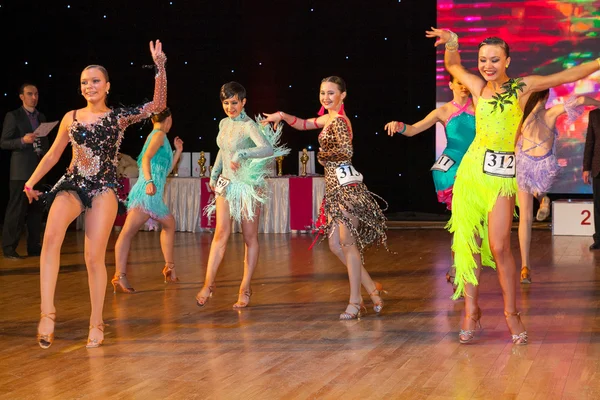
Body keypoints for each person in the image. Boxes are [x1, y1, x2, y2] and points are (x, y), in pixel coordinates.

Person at [426, 27, 600, 344]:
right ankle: (471, 312)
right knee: (469, 247)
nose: (487, 65)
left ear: (507, 60)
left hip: (502, 176)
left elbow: (568, 73)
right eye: (482, 60)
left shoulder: (522, 87)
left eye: (494, 59)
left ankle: (511, 313)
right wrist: (452, 40)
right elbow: (452, 65)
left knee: (500, 246)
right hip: (471, 174)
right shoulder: (477, 87)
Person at [24, 40, 167, 349]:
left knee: (93, 257)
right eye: (84, 82)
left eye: (95, 81)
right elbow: (51, 156)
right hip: (72, 183)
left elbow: (156, 107)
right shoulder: (71, 117)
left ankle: (97, 322)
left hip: (103, 188)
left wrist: (160, 68)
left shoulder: (117, 118)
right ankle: (47, 315)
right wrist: (30, 183)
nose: (89, 86)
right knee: (50, 240)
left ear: (107, 86)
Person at [261, 76, 389, 320]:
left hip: (345, 189)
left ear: (343, 95)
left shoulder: (339, 121)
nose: (326, 97)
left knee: (348, 244)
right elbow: (303, 124)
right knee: (335, 245)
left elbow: (346, 152)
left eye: (331, 93)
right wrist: (281, 115)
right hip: (333, 189)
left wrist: (323, 156)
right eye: (322, 93)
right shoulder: (328, 118)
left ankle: (355, 301)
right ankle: (372, 290)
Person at [195, 82, 288, 309]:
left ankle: (245, 287)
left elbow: (267, 149)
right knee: (220, 234)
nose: (230, 107)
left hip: (246, 185)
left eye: (234, 102)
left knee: (249, 237)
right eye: (226, 103)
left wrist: (242, 153)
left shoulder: (248, 125)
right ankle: (208, 284)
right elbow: (222, 150)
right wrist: (214, 173)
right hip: (226, 184)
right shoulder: (224, 123)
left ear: (243, 102)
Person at [384, 76, 476, 291]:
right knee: (462, 222)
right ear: (451, 85)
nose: (463, 86)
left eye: (466, 82)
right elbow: (414, 129)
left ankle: (458, 268)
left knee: (470, 225)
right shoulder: (442, 111)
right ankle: (459, 270)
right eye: (458, 82)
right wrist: (399, 126)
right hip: (452, 168)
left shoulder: (480, 107)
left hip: (475, 164)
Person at [517, 92, 600, 282]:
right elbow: (580, 100)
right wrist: (597, 102)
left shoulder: (523, 116)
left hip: (524, 165)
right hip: (541, 165)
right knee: (532, 204)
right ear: (545, 97)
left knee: (525, 218)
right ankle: (542, 198)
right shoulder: (550, 113)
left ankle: (525, 265)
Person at [112, 108, 183, 293]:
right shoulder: (158, 135)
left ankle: (170, 267)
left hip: (154, 196)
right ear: (169, 119)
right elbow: (145, 160)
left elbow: (165, 171)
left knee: (169, 224)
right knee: (127, 233)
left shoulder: (160, 137)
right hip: (146, 194)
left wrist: (178, 152)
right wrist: (150, 181)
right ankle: (120, 275)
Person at [1, 83, 49, 259]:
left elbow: (45, 142)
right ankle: (8, 249)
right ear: (21, 96)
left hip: (38, 169)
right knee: (16, 211)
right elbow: (4, 142)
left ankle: (34, 248)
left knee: (36, 211)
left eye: (36, 94)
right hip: (20, 172)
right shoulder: (13, 116)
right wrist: (22, 140)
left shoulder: (41, 117)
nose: (34, 97)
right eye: (30, 94)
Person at [583, 107, 600, 250]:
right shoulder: (594, 114)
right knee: (598, 206)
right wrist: (586, 168)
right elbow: (590, 143)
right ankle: (599, 239)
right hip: (598, 168)